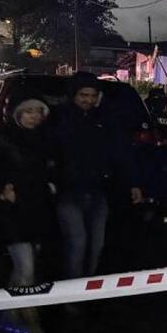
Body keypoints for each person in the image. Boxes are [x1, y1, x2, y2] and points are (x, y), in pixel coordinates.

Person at [0, 93, 54, 333]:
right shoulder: (1, 137)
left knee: (24, 268)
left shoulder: (43, 138)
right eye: (29, 111)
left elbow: (47, 167)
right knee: (26, 266)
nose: (34, 116)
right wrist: (1, 189)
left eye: (39, 111)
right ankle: (32, 322)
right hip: (11, 213)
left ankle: (9, 314)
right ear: (17, 113)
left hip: (36, 210)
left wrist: (50, 184)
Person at [48, 73, 142, 281]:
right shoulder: (58, 119)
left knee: (97, 244)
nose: (88, 100)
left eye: (92, 95)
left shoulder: (103, 119)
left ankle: (88, 289)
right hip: (68, 193)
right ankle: (70, 294)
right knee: (77, 241)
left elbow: (120, 152)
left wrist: (133, 183)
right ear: (73, 95)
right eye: (83, 95)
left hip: (98, 192)